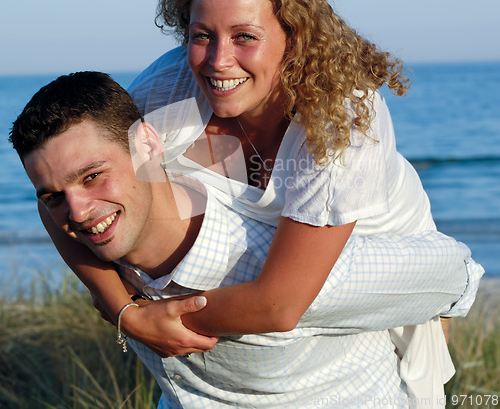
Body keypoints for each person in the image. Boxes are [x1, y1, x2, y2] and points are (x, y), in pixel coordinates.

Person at [10, 72, 482, 408]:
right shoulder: (107, 247)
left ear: (147, 147)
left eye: (93, 176)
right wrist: (127, 313)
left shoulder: (290, 268)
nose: (77, 211)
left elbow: (454, 274)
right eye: (54, 194)